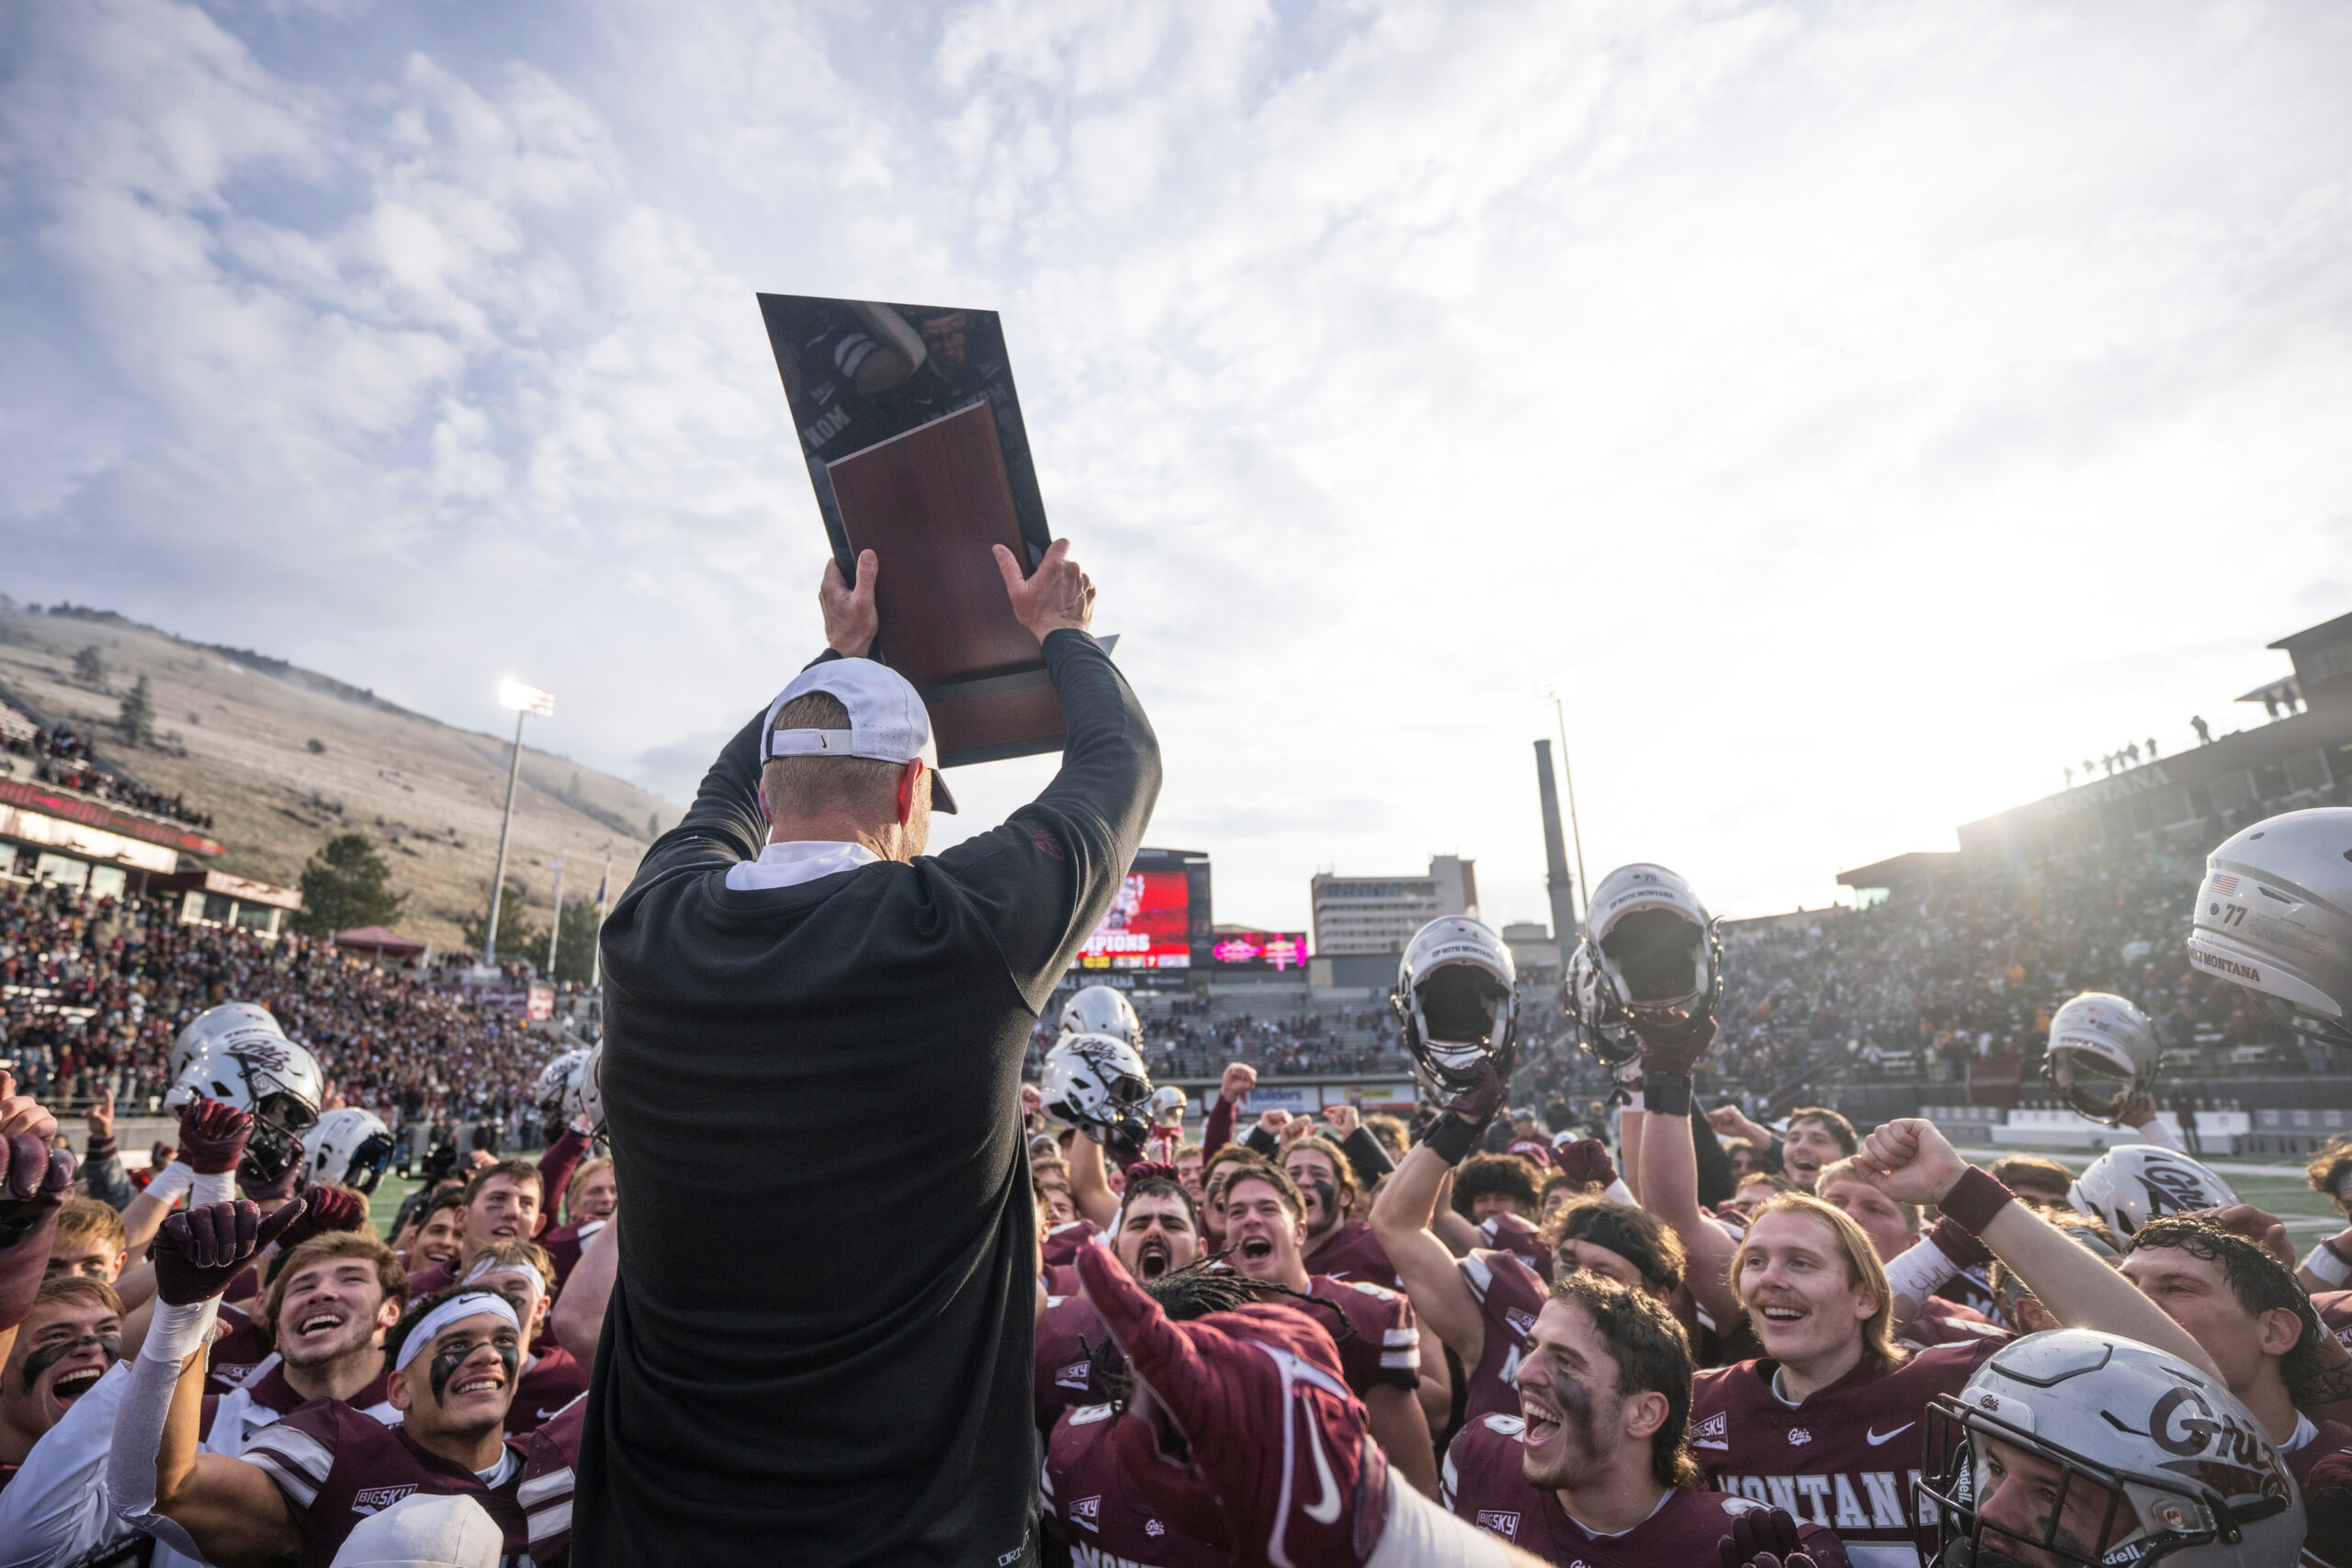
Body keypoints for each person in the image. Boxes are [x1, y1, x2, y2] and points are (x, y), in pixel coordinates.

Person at [588, 538, 1154, 1566]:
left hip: (656, 1525)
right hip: (907, 1535)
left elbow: (724, 783)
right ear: (908, 797)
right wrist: (1061, 627)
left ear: (769, 801)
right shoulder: (950, 928)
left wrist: (834, 652)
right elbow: (1120, 765)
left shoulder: (647, 932)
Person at [108, 1200, 533, 1568]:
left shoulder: (453, 1427)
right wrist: (183, 1313)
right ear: (273, 1327)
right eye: (302, 1286)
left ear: (391, 1312)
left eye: (350, 1278)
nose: (322, 1293)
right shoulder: (215, 1413)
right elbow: (151, 1491)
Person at [1440, 1271, 1844, 1563]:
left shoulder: (1754, 1545)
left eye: (1565, 1361)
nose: (1524, 1372)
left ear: (1644, 1414)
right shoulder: (1477, 1458)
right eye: (1533, 1348)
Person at [1219, 1158, 1438, 1496]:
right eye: (1236, 1213)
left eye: (1267, 1209)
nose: (1250, 1219)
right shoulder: (1206, 1319)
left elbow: (1414, 1479)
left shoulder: (1361, 1317)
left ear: (1299, 1231)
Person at [401, 1162, 548, 1301]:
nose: (513, 1212)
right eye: (498, 1199)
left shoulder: (548, 1293)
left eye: (526, 1204)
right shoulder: (414, 1291)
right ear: (462, 1217)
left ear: (538, 1225)